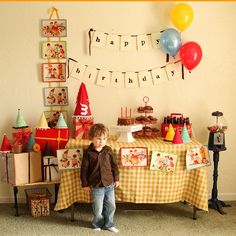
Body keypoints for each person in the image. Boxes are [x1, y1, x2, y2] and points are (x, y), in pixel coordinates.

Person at [80, 123, 120, 233]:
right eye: (98, 139)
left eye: (104, 139)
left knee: (111, 205)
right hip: (96, 186)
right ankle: (96, 223)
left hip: (109, 184)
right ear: (92, 138)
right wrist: (85, 184)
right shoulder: (88, 153)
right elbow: (84, 170)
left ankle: (109, 224)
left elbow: (114, 166)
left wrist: (116, 178)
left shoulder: (108, 150)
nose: (101, 141)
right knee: (98, 208)